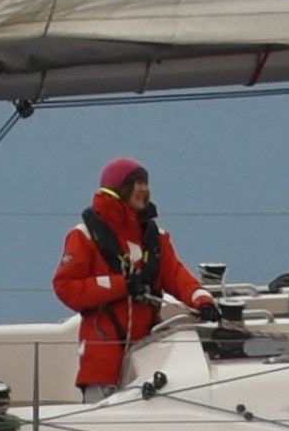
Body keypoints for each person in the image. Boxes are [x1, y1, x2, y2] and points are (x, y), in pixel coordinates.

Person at [53, 161, 204, 395]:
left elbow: (177, 276)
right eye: (137, 183)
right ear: (119, 187)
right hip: (103, 360)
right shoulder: (84, 235)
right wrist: (120, 285)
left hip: (149, 357)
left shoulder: (155, 239)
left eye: (145, 183)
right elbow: (66, 286)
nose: (144, 189)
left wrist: (203, 300)